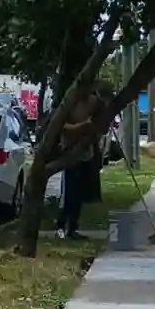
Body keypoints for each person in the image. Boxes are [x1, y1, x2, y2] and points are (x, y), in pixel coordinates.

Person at [55, 89, 101, 241]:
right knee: (70, 193)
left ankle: (73, 227)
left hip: (87, 153)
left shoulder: (94, 101)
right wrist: (81, 127)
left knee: (80, 194)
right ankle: (61, 226)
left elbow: (101, 123)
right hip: (70, 152)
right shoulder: (70, 101)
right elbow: (61, 126)